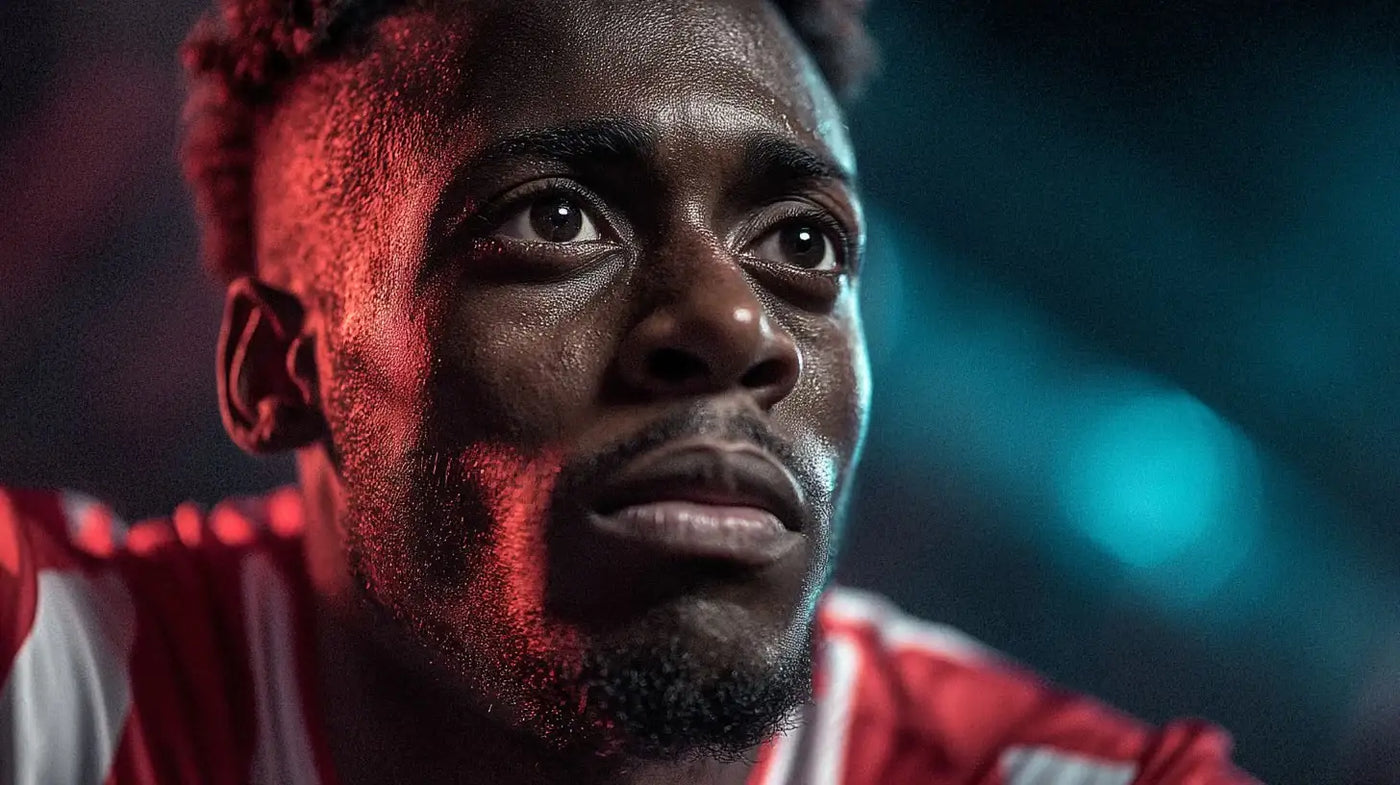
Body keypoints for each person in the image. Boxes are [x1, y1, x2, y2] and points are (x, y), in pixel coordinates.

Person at [0, 0, 1261, 782]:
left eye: (804, 245)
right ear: (279, 369)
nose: (730, 324)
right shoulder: (56, 676)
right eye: (555, 218)